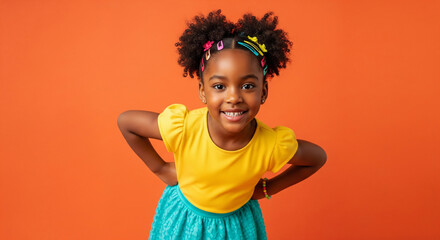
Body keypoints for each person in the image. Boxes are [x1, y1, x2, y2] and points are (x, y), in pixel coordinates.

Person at [117, 9, 327, 240]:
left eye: (247, 86)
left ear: (263, 92)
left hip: (237, 226)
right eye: (219, 87)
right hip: (184, 221)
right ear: (202, 91)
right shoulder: (184, 128)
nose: (234, 97)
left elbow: (317, 157)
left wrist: (269, 188)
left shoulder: (271, 144)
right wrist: (160, 168)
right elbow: (127, 122)